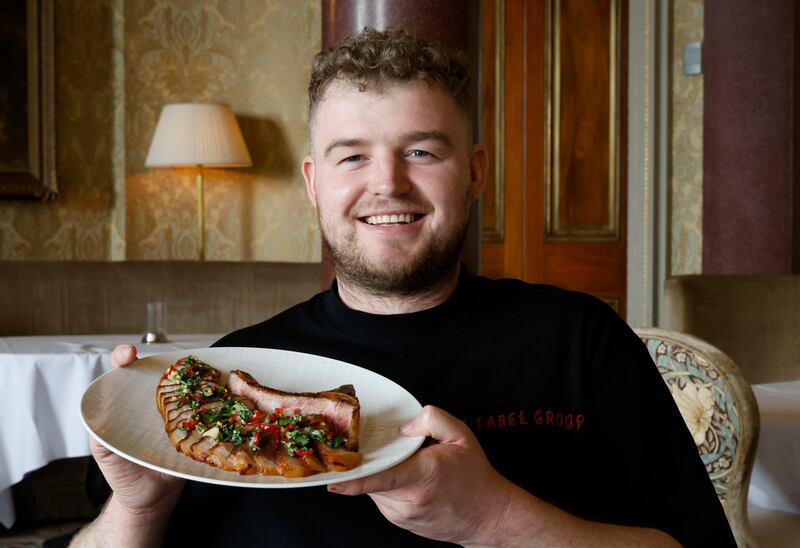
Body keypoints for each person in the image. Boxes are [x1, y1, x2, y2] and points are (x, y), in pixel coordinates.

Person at [72, 28, 735, 547]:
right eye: (353, 155)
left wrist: (495, 520)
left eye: (422, 151)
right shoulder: (234, 368)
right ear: (313, 182)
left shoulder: (581, 340)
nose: (387, 184)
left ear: (474, 173)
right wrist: (136, 509)